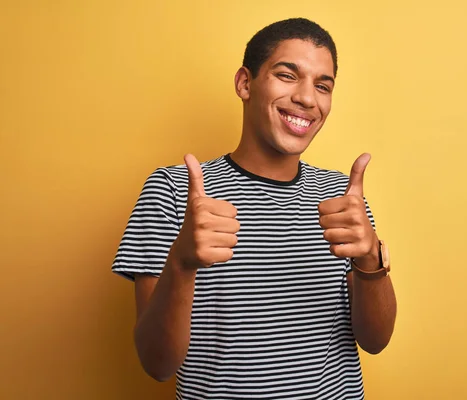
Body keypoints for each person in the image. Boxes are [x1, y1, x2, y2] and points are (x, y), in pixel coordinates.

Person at [112, 17, 397, 400]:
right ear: (245, 83)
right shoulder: (173, 191)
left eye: (323, 86)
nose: (308, 99)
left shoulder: (340, 196)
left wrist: (369, 261)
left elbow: (375, 341)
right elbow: (156, 364)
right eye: (287, 75)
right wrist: (181, 264)